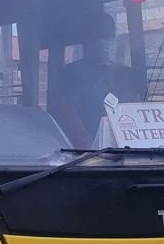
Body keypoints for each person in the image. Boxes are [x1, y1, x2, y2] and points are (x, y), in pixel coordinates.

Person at [54, 12, 144, 148]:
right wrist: (90, 151)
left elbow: (139, 114)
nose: (104, 44)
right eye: (97, 38)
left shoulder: (128, 76)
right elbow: (68, 117)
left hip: (129, 151)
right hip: (84, 156)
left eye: (109, 38)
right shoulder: (69, 75)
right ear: (85, 42)